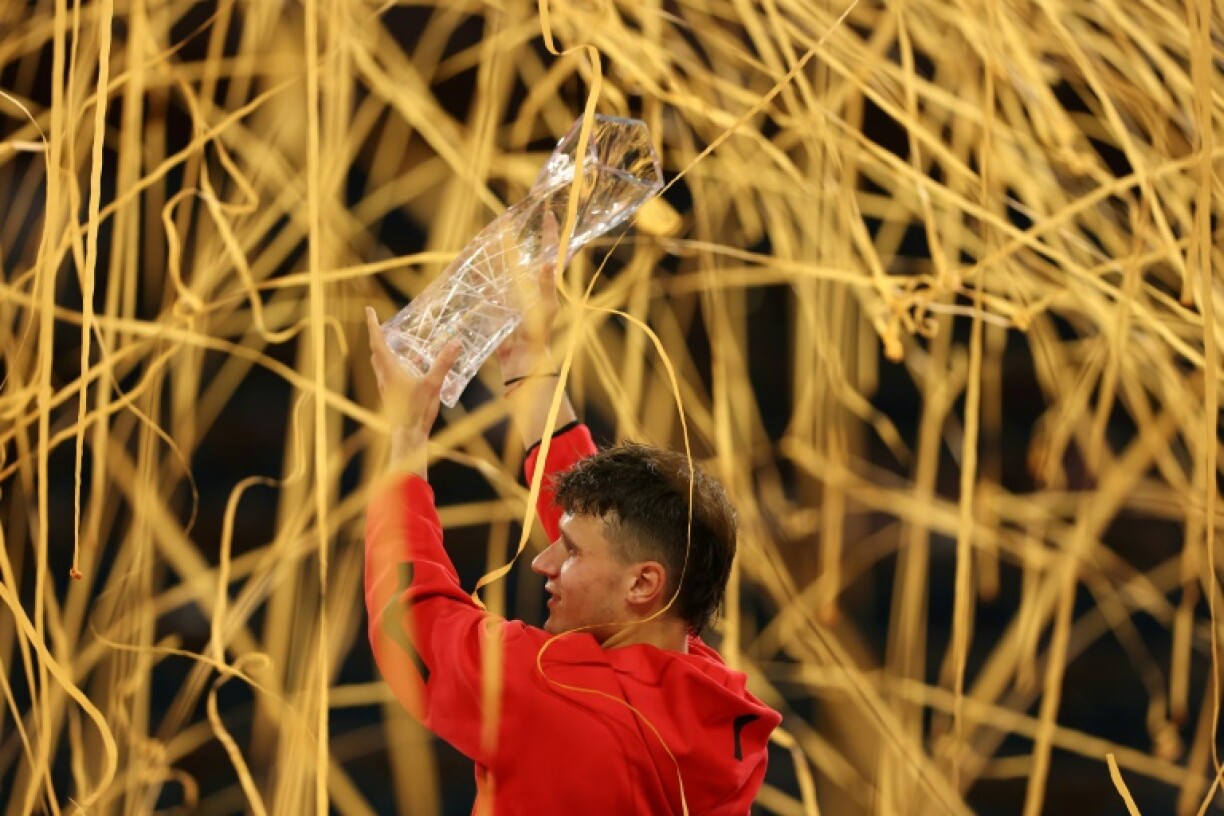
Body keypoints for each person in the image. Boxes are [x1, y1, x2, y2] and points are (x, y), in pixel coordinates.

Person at [362, 231, 780, 814]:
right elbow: (610, 532)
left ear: (645, 584)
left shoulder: (551, 691)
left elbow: (412, 620)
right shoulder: (714, 709)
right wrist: (528, 366)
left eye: (571, 552)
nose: (542, 562)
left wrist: (407, 441)